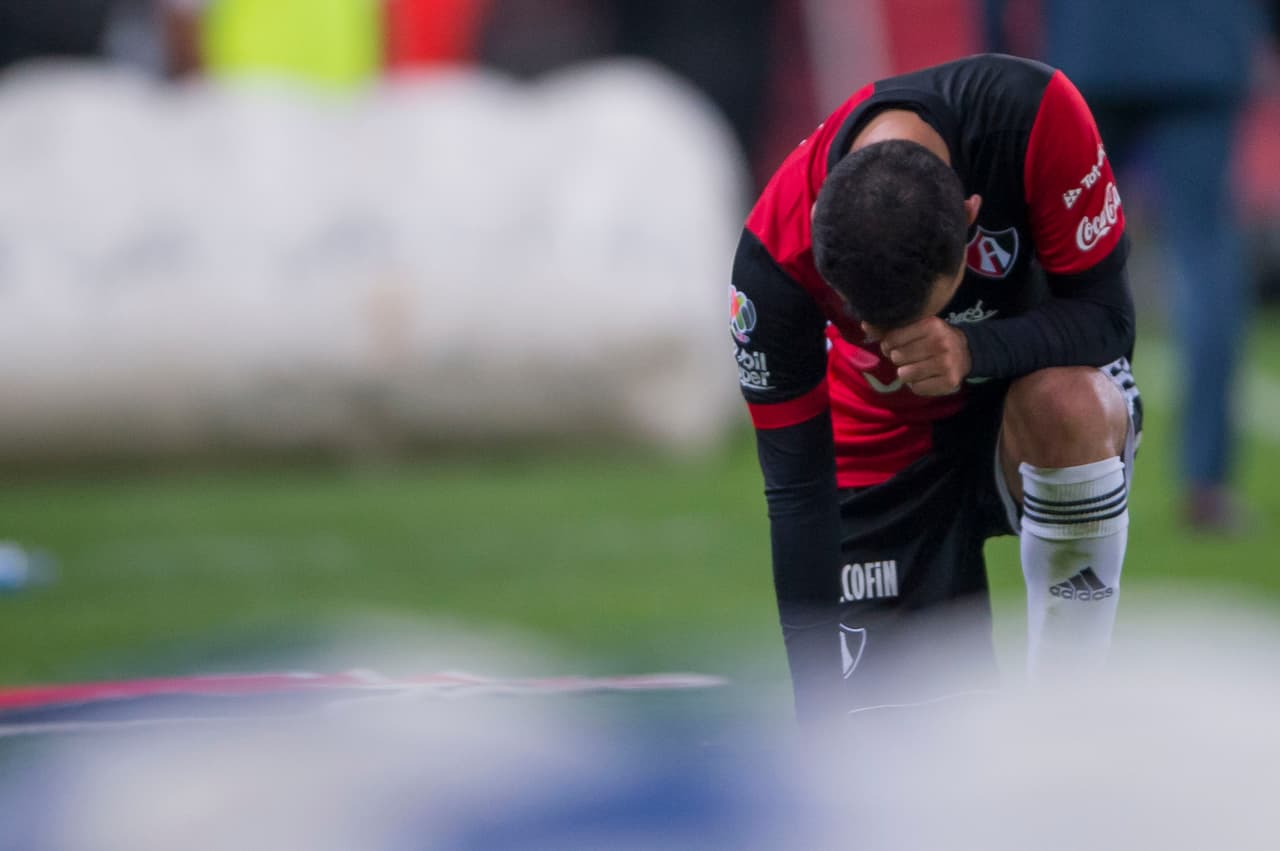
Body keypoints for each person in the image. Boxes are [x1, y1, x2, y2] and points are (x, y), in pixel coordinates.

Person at [730, 53, 1140, 722]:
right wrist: (814, 710)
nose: (891, 343)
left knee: (1073, 404)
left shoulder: (1037, 115)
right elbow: (797, 487)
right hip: (882, 453)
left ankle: (1070, 722)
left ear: (971, 219)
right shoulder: (771, 262)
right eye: (867, 325)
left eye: (915, 321)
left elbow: (1112, 319)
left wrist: (973, 347)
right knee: (896, 754)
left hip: (1022, 408)